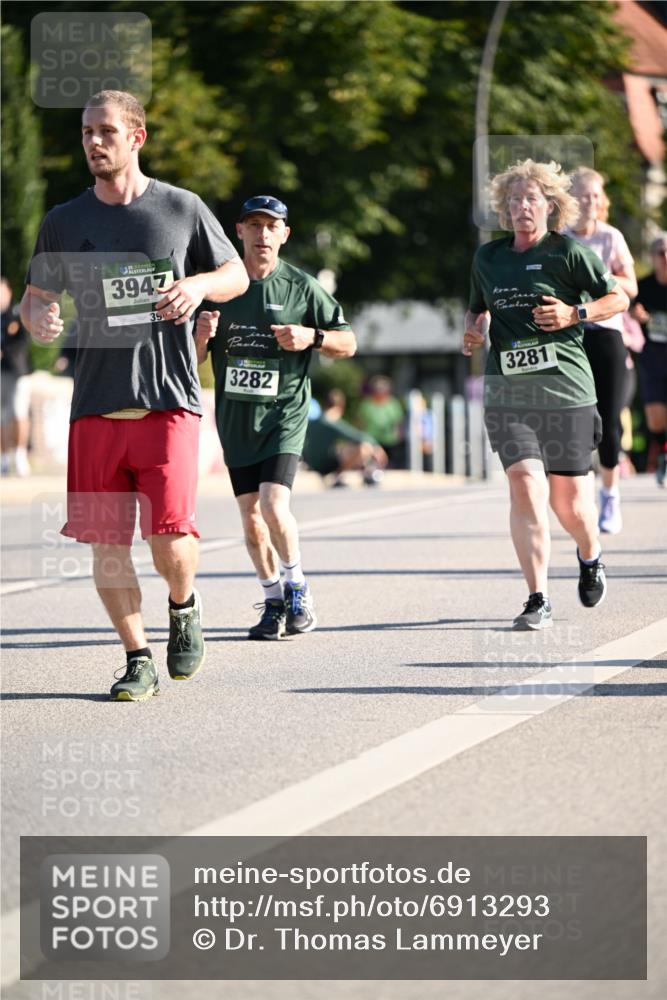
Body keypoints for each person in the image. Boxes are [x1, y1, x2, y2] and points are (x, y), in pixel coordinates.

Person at [20, 90, 248, 701]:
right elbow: (36, 294)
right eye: (88, 132)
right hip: (95, 406)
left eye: (107, 132)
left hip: (167, 401)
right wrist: (38, 313)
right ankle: (137, 656)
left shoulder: (180, 208)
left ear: (137, 137)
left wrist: (198, 285)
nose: (95, 142)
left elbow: (237, 274)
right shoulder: (65, 221)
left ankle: (183, 604)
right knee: (106, 542)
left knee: (170, 537)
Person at [464, 159, 629, 630]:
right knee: (524, 484)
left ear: (551, 206)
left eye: (531, 199)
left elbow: (617, 298)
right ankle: (537, 597)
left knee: (570, 505)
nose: (521, 207)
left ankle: (590, 551)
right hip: (508, 392)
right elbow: (477, 310)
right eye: (513, 200)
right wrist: (473, 331)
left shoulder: (568, 254)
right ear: (504, 209)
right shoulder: (488, 258)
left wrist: (576, 314)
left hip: (565, 392)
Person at [195, 195, 356, 640]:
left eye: (272, 227)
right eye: (254, 226)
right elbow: (192, 360)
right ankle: (272, 600)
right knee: (250, 518)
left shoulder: (302, 287)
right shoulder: (220, 288)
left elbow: (349, 343)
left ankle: (297, 586)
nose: (263, 234)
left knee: (272, 504)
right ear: (239, 231)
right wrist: (201, 338)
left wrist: (312, 336)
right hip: (235, 420)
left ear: (285, 234)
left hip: (284, 414)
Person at [565, 167, 638, 533]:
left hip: (607, 334)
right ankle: (583, 496)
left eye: (595, 195)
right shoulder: (557, 240)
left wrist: (599, 282)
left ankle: (610, 494)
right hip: (570, 338)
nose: (589, 202)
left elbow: (631, 286)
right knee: (576, 423)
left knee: (609, 425)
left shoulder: (610, 238)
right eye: (582, 195)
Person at [631, 233, 667, 486]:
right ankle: (663, 453)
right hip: (652, 357)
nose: (665, 257)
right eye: (660, 253)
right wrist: (636, 314)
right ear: (652, 257)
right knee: (655, 416)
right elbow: (630, 309)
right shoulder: (643, 287)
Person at [303, 388, 387, 487]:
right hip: (324, 465)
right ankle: (336, 476)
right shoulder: (331, 420)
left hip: (312, 462)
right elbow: (356, 436)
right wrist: (376, 446)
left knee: (344, 447)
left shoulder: (316, 421)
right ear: (341, 405)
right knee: (364, 448)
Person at [1, 277, 32, 476]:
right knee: (2, 416)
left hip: (16, 371)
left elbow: (23, 341)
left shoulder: (16, 314)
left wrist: (5, 352)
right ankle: (4, 457)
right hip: (1, 372)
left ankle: (19, 455)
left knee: (18, 413)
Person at [357, 375, 404, 467]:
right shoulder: (366, 404)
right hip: (371, 440)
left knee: (390, 466)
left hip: (389, 441)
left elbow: (398, 422)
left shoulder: (393, 404)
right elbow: (360, 422)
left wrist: (399, 436)